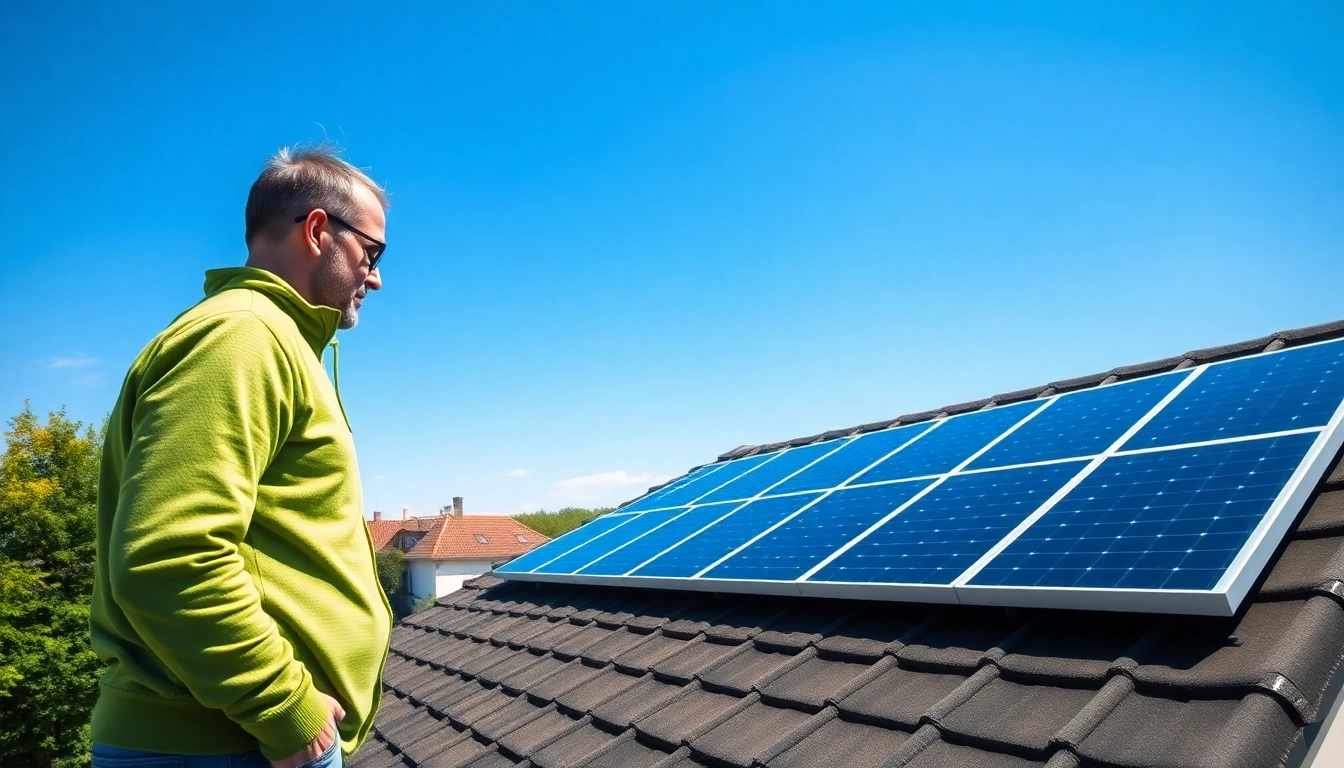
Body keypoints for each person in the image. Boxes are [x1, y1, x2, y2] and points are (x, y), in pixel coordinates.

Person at [89, 147, 394, 768]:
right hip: (230, 741)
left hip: (236, 739)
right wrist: (285, 709)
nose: (376, 276)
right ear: (317, 231)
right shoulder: (244, 338)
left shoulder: (270, 341)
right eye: (373, 252)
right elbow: (168, 556)